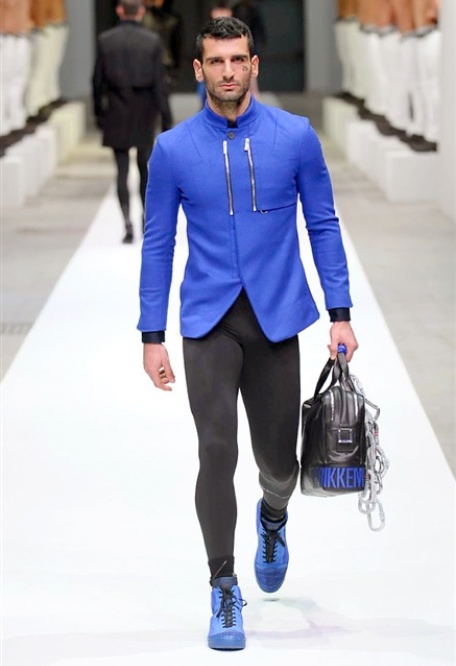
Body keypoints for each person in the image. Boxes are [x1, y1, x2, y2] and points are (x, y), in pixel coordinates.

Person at [138, 17, 358, 651]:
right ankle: (223, 585)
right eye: (217, 61)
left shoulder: (295, 137)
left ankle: (273, 515)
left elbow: (323, 224)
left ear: (255, 64)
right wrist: (151, 333)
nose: (228, 71)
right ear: (199, 69)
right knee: (216, 450)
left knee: (279, 464)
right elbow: (158, 243)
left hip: (276, 318)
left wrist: (340, 313)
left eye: (238, 59)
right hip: (209, 320)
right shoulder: (173, 149)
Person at [92, 0, 171, 244]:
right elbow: (159, 83)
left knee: (122, 170)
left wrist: (99, 114)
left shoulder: (106, 40)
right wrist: (166, 117)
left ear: (119, 11)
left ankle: (127, 223)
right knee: (144, 168)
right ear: (141, 11)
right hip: (144, 110)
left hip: (116, 109)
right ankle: (146, 219)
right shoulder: (152, 41)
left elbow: (97, 82)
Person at [196, 1, 234, 107]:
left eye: (224, 11)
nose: (221, 14)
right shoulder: (206, 32)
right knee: (205, 97)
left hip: (228, 70)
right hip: (209, 70)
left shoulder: (236, 33)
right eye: (219, 11)